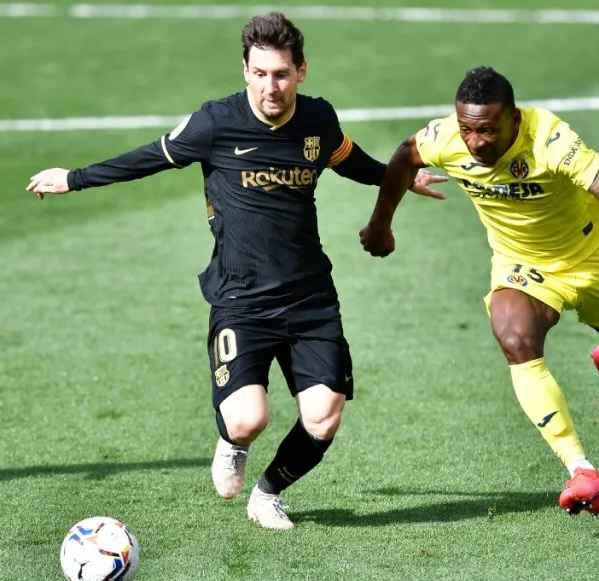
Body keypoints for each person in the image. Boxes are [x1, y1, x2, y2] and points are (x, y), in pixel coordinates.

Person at [26, 12, 446, 530]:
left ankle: (268, 494)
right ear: (245, 71)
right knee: (248, 419)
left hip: (311, 296)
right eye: (261, 73)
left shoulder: (317, 120)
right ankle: (231, 443)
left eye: (282, 74)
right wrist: (75, 178)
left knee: (324, 414)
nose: (272, 86)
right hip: (241, 299)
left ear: (302, 71)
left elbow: (348, 160)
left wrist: (401, 178)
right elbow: (150, 157)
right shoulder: (214, 123)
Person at [359, 66, 599, 516]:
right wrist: (380, 224)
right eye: (467, 129)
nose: (475, 142)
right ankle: (581, 469)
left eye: (487, 130)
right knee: (515, 338)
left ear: (515, 121)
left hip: (589, 255)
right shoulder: (445, 138)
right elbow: (405, 156)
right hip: (520, 265)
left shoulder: (550, 139)